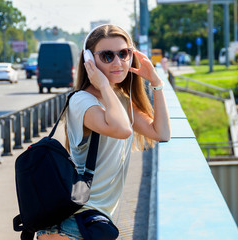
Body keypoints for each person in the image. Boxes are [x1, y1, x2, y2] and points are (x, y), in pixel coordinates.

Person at [37, 24, 170, 239]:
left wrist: (155, 82)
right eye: (107, 56)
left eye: (123, 54)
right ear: (89, 60)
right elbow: (123, 129)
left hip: (91, 222)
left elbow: (162, 133)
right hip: (71, 223)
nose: (118, 63)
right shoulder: (82, 101)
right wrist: (104, 86)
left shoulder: (120, 101)